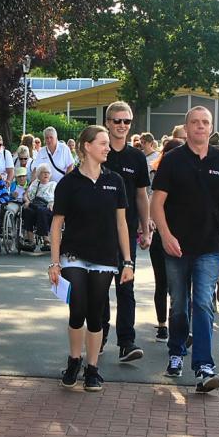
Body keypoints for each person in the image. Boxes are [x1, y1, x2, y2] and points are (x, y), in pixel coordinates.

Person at [151, 106, 219, 393]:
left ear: (211, 127)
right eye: (195, 122)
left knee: (203, 302)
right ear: (186, 127)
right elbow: (157, 203)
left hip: (210, 245)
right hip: (177, 247)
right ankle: (176, 350)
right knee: (179, 304)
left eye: (205, 122)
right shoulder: (172, 160)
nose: (200, 126)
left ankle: (204, 366)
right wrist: (165, 235)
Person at [48, 125, 134, 393]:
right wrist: (54, 263)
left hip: (105, 257)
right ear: (87, 146)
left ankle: (92, 368)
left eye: (108, 144)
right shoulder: (69, 183)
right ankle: (74, 360)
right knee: (78, 308)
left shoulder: (115, 181)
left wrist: (127, 261)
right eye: (103, 143)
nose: (108, 148)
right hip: (73, 255)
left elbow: (122, 223)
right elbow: (56, 225)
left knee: (96, 313)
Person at [101, 101, 151, 362]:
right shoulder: (98, 152)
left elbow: (142, 195)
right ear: (107, 123)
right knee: (99, 288)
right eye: (117, 120)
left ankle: (126, 342)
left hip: (127, 232)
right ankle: (99, 335)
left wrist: (146, 227)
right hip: (98, 231)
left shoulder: (137, 157)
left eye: (127, 121)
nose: (122, 125)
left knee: (126, 287)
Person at [148, 138, 182, 342]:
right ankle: (162, 325)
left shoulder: (186, 174)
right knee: (162, 283)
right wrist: (148, 223)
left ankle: (178, 324)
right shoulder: (156, 173)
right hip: (161, 235)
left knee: (178, 286)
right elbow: (150, 199)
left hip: (182, 236)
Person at [22, 163, 56, 251]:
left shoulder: (53, 185)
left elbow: (59, 197)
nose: (46, 174)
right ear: (38, 175)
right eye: (43, 172)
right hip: (34, 205)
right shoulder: (34, 184)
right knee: (27, 211)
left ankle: (46, 241)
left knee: (42, 211)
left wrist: (53, 203)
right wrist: (27, 201)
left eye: (48, 172)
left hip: (48, 206)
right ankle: (31, 241)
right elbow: (26, 195)